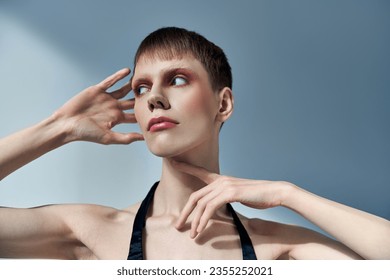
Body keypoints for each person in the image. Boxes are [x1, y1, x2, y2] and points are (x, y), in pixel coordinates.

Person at [0, 27, 389, 260]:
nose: (153, 97)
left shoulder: (272, 246)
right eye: (141, 88)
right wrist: (58, 128)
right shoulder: (94, 231)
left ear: (223, 103)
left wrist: (287, 194)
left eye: (178, 79)